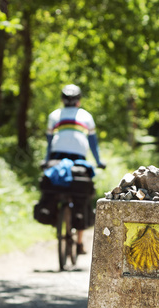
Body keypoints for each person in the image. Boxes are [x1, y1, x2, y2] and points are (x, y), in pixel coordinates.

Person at [43, 84, 106, 254]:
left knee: (53, 187)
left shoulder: (54, 115)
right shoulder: (86, 116)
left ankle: (56, 218)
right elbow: (93, 143)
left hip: (56, 157)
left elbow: (50, 142)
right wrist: (99, 161)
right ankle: (79, 243)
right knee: (82, 198)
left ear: (62, 100)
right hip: (79, 159)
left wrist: (45, 160)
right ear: (79, 101)